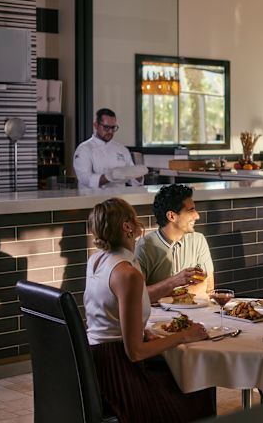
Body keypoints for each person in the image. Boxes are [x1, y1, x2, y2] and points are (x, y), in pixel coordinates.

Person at [84, 197, 215, 423]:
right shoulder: (127, 274)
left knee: (182, 377)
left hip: (95, 362)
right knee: (198, 389)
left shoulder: (97, 260)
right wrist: (185, 335)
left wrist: (143, 331)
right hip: (119, 371)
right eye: (134, 219)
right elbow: (135, 352)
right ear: (127, 227)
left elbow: (111, 310)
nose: (138, 223)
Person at [135, 184, 214, 302]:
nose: (197, 216)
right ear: (172, 216)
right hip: (158, 318)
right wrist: (174, 281)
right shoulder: (144, 247)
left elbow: (209, 286)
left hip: (194, 313)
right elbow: (137, 295)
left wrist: (169, 294)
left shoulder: (198, 240)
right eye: (191, 210)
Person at [73, 108, 143, 190]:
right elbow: (85, 179)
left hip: (118, 200)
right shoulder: (84, 149)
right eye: (106, 127)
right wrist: (109, 176)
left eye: (113, 128)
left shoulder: (122, 149)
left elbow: (132, 181)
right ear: (95, 125)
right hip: (92, 199)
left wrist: (138, 176)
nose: (110, 131)